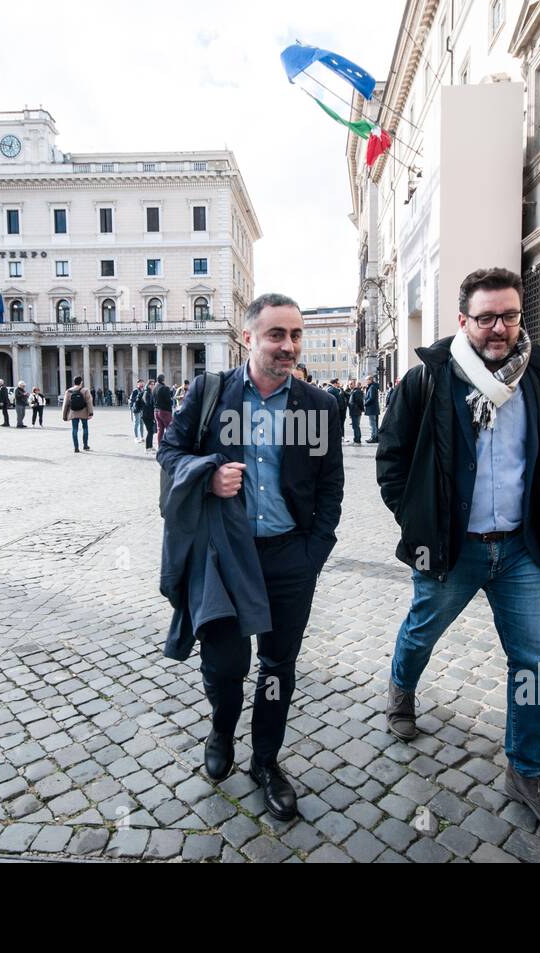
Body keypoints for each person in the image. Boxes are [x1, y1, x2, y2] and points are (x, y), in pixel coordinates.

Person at [375, 266, 540, 847]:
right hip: (454, 549)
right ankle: (401, 687)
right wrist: (419, 519)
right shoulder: (428, 380)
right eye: (487, 317)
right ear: (463, 320)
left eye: (511, 315)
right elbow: (391, 460)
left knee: (534, 663)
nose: (500, 328)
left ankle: (525, 770)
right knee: (422, 631)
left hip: (519, 550)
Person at [158, 292, 343, 822]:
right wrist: (207, 474)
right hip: (225, 555)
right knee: (225, 662)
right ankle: (221, 727)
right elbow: (169, 451)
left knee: (278, 666)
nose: (288, 346)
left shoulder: (318, 405)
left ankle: (266, 761)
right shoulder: (210, 393)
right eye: (276, 335)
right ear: (248, 338)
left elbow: (331, 485)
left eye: (295, 335)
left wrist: (314, 553)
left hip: (290, 557)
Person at [62, 375, 94, 453]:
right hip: (84, 412)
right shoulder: (85, 390)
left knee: (74, 429)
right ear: (81, 382)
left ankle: (76, 447)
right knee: (85, 428)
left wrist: (64, 415)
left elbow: (65, 404)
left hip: (73, 413)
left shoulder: (69, 391)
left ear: (74, 382)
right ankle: (85, 445)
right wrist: (90, 413)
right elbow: (89, 402)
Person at [153, 373, 173, 446]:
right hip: (164, 411)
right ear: (163, 380)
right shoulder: (165, 388)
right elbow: (168, 400)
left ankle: (160, 446)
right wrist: (171, 401)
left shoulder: (154, 388)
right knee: (169, 429)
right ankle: (169, 446)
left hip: (156, 411)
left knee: (160, 429)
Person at [141, 378, 159, 451]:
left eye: (154, 384)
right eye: (152, 384)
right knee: (150, 431)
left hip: (149, 415)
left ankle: (150, 446)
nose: (153, 385)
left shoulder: (150, 392)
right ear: (148, 385)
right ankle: (147, 447)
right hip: (146, 415)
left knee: (151, 431)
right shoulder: (146, 392)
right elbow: (147, 404)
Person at [363, 375, 380, 443]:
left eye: (367, 380)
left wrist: (365, 403)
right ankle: (374, 437)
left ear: (370, 380)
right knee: (374, 424)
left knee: (372, 424)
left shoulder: (372, 387)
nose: (366, 381)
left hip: (372, 408)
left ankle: (374, 438)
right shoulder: (372, 386)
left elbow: (371, 398)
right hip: (373, 408)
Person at [347, 380, 364, 444]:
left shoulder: (357, 391)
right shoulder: (354, 391)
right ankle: (356, 439)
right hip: (354, 411)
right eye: (349, 384)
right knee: (355, 426)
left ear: (355, 384)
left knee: (356, 426)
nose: (350, 385)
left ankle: (357, 440)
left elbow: (359, 401)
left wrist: (361, 409)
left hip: (356, 411)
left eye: (351, 384)